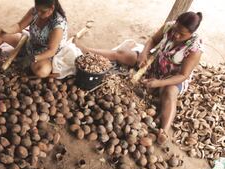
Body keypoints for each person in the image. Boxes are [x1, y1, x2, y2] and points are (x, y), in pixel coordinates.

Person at [76, 12, 203, 144]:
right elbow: (153, 40)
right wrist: (144, 54)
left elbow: (183, 75)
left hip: (173, 77)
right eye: (176, 29)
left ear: (191, 33)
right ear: (175, 22)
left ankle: (163, 131)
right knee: (123, 54)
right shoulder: (169, 26)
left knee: (170, 93)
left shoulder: (195, 49)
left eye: (182, 34)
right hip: (155, 63)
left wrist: (159, 83)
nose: (176, 35)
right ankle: (88, 50)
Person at [0, 0, 68, 78]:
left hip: (44, 54)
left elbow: (51, 51)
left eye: (42, 12)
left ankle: (27, 62)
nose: (38, 14)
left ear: (52, 9)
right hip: (30, 43)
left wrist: (33, 58)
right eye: (37, 9)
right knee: (2, 34)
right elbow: (19, 26)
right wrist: (7, 30)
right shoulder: (35, 11)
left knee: (42, 72)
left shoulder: (57, 26)